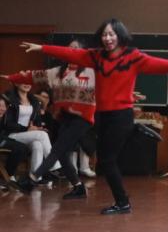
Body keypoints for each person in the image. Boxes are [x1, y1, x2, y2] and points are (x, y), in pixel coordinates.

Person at [21, 19, 168, 214]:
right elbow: (71, 53)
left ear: (119, 35)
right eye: (104, 34)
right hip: (102, 115)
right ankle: (123, 192)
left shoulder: (132, 56)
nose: (108, 38)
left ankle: (123, 202)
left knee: (107, 161)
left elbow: (154, 63)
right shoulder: (96, 57)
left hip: (121, 115)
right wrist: (42, 48)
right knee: (103, 159)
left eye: (111, 34)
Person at [3, 39, 97, 199]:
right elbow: (35, 76)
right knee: (62, 154)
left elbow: (110, 84)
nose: (71, 51)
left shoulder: (91, 71)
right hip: (65, 117)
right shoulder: (58, 72)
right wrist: (13, 77)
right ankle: (78, 187)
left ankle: (32, 179)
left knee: (57, 149)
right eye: (69, 48)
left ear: (82, 53)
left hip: (83, 117)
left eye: (75, 49)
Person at [2, 82, 56, 186]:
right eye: (23, 81)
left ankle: (35, 177)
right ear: (16, 84)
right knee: (42, 135)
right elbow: (7, 123)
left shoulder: (33, 100)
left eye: (28, 82)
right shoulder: (10, 98)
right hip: (12, 134)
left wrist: (38, 127)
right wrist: (26, 128)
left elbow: (36, 120)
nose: (26, 84)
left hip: (27, 134)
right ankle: (53, 165)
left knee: (38, 144)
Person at [0, 96, 34, 193]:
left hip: (3, 139)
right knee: (20, 147)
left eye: (3, 106)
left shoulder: (3, 117)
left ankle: (7, 175)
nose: (2, 108)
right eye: (0, 106)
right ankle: (7, 176)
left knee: (23, 147)